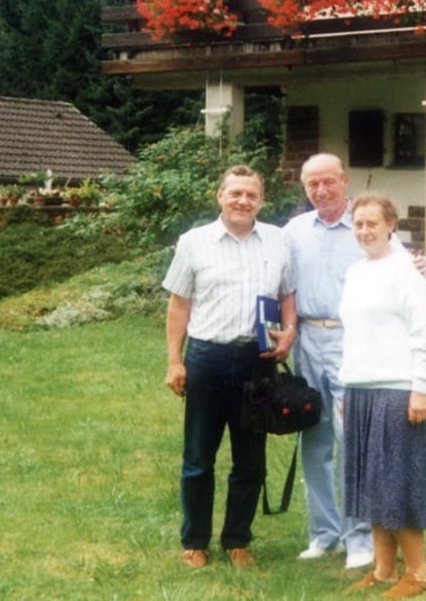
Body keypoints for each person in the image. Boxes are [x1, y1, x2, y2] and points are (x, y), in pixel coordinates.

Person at [284, 154, 419, 570]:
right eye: (312, 184)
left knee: (353, 439)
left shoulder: (365, 226)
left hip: (353, 341)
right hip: (307, 339)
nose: (321, 190)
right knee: (314, 437)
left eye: (329, 181)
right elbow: (280, 283)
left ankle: (360, 537)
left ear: (344, 181)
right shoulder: (294, 231)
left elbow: (404, 272)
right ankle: (323, 534)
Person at [162, 165, 298, 570]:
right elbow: (179, 303)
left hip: (258, 362)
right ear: (219, 196)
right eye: (235, 193)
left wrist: (289, 332)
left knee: (250, 459)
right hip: (207, 359)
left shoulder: (277, 240)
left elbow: (287, 294)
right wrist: (175, 360)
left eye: (251, 195)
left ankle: (238, 540)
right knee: (198, 456)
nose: (243, 201)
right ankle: (195, 542)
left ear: (261, 200)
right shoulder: (194, 242)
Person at [339, 194, 426, 599]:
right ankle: (384, 569)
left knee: (397, 482)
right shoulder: (355, 272)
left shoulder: (406, 273)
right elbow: (355, 335)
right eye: (358, 224)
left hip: (399, 390)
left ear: (391, 226)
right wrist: (349, 385)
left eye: (372, 223)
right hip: (361, 391)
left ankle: (420, 572)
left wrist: (421, 389)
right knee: (370, 483)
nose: (364, 231)